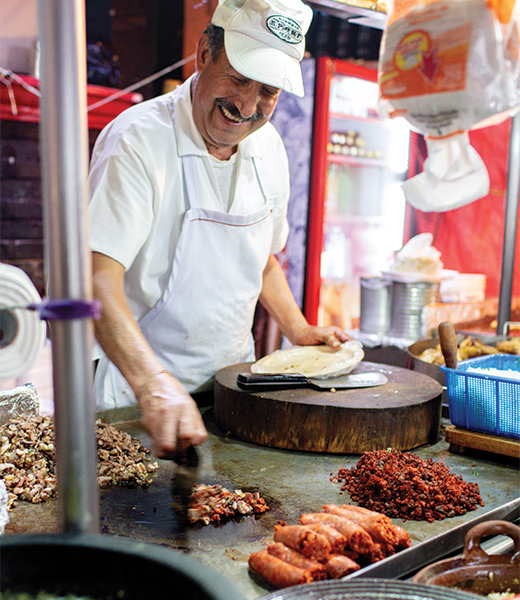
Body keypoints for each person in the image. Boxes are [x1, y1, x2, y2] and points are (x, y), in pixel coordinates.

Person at [88, 0, 351, 460]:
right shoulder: (137, 141)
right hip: (136, 402)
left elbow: (261, 260)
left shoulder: (269, 149)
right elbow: (95, 280)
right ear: (204, 55)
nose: (247, 105)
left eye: (268, 90)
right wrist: (152, 384)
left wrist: (299, 328)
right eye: (239, 77)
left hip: (232, 396)